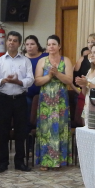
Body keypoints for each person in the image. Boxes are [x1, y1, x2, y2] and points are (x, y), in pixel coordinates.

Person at [0, 30, 34, 172]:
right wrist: (3, 80)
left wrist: (19, 82)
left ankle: (20, 162)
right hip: (4, 99)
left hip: (20, 99)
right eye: (10, 40)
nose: (11, 43)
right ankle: (3, 162)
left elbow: (31, 79)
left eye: (15, 40)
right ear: (6, 42)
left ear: (19, 44)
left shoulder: (25, 61)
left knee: (21, 131)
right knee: (3, 131)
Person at [34, 35, 74, 170]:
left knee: (60, 129)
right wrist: (49, 76)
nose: (51, 47)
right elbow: (37, 81)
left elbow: (69, 80)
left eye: (54, 44)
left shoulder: (66, 60)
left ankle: (60, 160)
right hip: (46, 99)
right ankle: (45, 161)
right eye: (49, 44)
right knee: (46, 130)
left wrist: (57, 74)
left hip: (61, 100)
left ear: (59, 46)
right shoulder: (42, 61)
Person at [24, 35, 47, 121]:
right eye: (27, 44)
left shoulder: (45, 56)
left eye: (32, 44)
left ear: (37, 45)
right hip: (27, 92)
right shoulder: (22, 58)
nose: (29, 46)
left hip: (43, 91)